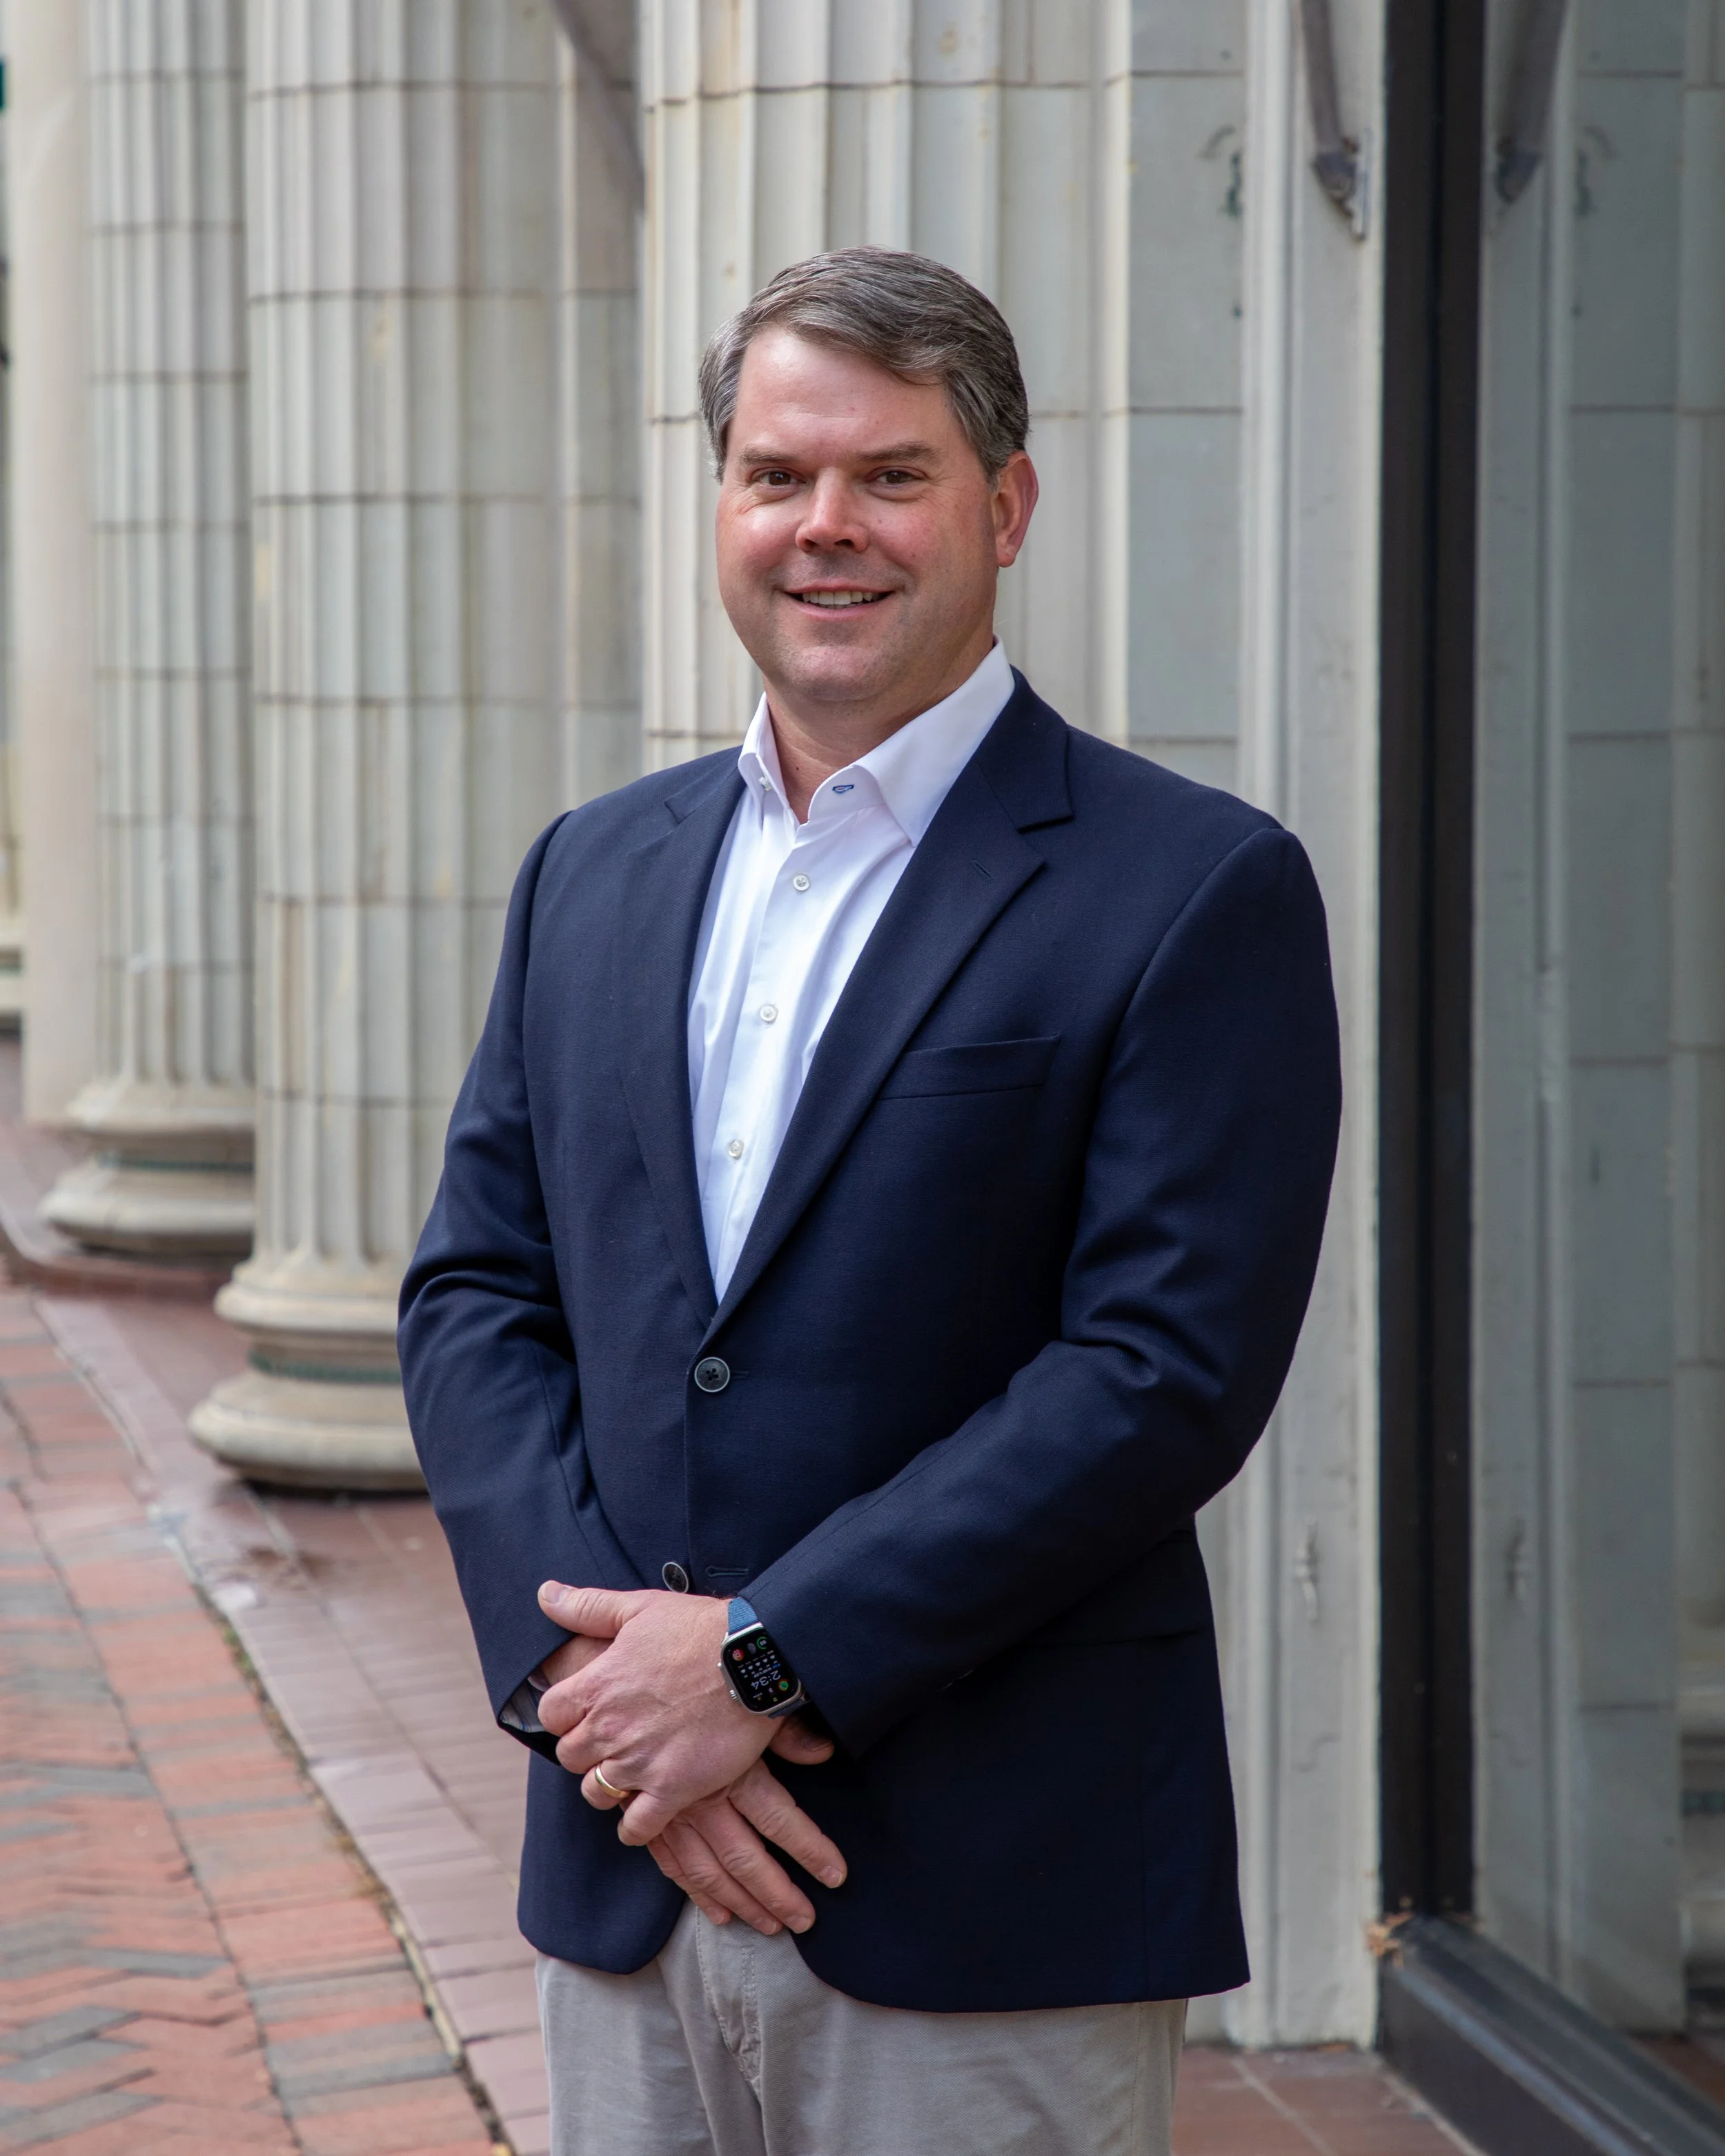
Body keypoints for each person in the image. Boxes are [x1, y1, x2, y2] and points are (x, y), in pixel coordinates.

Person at [400, 246, 1342, 2156]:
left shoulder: (1192, 887)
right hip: (629, 1855)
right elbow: (474, 1297)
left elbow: (1158, 1371)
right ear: (721, 501)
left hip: (991, 1880)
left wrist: (759, 1661)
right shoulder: (593, 869)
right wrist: (607, 1697)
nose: (824, 526)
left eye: (889, 476)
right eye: (775, 474)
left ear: (1002, 506)